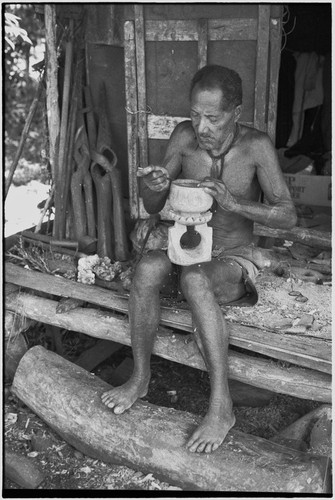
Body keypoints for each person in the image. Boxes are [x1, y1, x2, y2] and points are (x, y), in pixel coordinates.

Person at [101, 65, 297, 454]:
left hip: (231, 258)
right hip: (186, 249)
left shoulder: (256, 146)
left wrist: (235, 202)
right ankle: (140, 377)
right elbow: (152, 203)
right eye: (195, 114)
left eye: (213, 117)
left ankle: (221, 406)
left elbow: (288, 215)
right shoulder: (183, 138)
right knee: (148, 267)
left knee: (195, 280)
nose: (201, 125)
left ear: (236, 113)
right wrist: (152, 186)